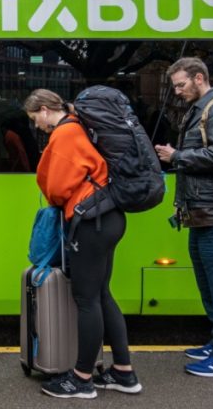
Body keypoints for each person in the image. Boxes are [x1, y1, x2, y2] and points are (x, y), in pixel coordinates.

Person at [25, 89, 141, 399]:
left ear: (47, 109)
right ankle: (123, 373)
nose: (37, 125)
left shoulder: (65, 134)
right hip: (108, 216)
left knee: (86, 299)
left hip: (91, 222)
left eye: (35, 118)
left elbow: (57, 187)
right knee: (102, 295)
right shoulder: (80, 128)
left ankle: (82, 379)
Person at [155, 57, 213, 378]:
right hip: (203, 213)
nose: (177, 91)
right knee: (211, 286)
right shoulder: (202, 110)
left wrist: (177, 156)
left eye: (180, 85)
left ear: (198, 78)